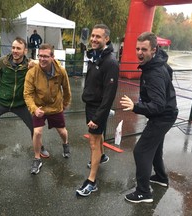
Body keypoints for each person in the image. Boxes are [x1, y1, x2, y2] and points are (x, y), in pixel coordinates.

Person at [120, 32, 178, 203]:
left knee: (141, 150)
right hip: (165, 113)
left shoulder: (155, 72)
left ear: (154, 49)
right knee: (155, 148)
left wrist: (136, 106)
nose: (139, 52)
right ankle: (160, 177)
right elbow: (168, 77)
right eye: (137, 48)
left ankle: (143, 192)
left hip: (163, 116)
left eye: (144, 49)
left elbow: (158, 105)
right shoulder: (157, 63)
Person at [0, 37, 49, 165]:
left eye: (18, 48)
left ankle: (39, 148)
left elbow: (48, 67)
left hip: (21, 104)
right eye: (13, 47)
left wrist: (36, 63)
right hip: (1, 102)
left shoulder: (29, 64)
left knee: (35, 128)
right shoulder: (3, 62)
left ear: (25, 51)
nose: (15, 51)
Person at [76, 24, 119, 197]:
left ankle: (92, 181)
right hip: (91, 105)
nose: (93, 39)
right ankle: (101, 157)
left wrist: (99, 117)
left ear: (106, 39)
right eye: (92, 36)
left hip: (98, 108)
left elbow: (109, 95)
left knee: (93, 142)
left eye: (98, 37)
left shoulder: (110, 62)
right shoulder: (95, 56)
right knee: (98, 136)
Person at [24, 43, 72, 175]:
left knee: (62, 132)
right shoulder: (32, 73)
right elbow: (27, 94)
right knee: (37, 132)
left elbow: (67, 89)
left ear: (52, 57)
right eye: (40, 56)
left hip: (55, 107)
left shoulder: (61, 71)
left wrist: (66, 103)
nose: (42, 59)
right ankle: (37, 158)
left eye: (45, 56)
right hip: (39, 107)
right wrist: (34, 108)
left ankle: (66, 144)